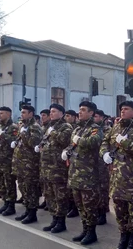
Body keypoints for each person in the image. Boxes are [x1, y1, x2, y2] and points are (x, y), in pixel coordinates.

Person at [99, 101, 133, 249]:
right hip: (117, 179)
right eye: (121, 109)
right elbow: (104, 141)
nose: (122, 111)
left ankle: (132, 242)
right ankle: (123, 238)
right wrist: (105, 153)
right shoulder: (115, 128)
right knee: (120, 213)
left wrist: (126, 142)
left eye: (126, 109)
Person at [63, 101, 103, 245]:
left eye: (83, 110)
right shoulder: (77, 129)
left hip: (88, 175)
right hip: (75, 174)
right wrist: (66, 151)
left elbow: (94, 141)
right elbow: (71, 144)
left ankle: (92, 233)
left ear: (91, 113)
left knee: (89, 206)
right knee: (80, 205)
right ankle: (85, 230)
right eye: (79, 110)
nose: (79, 112)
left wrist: (80, 140)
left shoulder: (95, 128)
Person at [40, 104, 73, 233]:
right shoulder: (49, 126)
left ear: (61, 114)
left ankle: (61, 222)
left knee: (60, 196)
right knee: (50, 195)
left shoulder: (66, 127)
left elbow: (64, 140)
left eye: (54, 111)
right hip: (47, 167)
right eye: (50, 111)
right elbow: (43, 140)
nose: (51, 113)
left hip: (58, 168)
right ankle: (54, 219)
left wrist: (53, 133)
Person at [12, 105, 43, 224]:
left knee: (31, 189)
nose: (22, 114)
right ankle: (27, 210)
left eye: (24, 112)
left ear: (31, 114)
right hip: (21, 164)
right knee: (23, 188)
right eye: (21, 112)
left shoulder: (35, 127)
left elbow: (33, 143)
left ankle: (32, 213)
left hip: (30, 165)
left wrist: (24, 134)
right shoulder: (23, 126)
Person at [0, 107, 19, 216]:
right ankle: (5, 203)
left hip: (8, 160)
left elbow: (14, 142)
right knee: (1, 183)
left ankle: (11, 206)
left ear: (8, 114)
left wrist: (4, 135)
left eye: (2, 113)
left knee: (9, 183)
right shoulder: (0, 126)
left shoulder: (13, 127)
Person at [93, 109, 111, 225]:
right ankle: (97, 210)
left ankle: (102, 212)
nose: (94, 118)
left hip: (103, 164)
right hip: (92, 163)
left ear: (102, 118)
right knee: (95, 189)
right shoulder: (92, 129)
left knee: (103, 189)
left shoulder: (107, 130)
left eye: (96, 116)